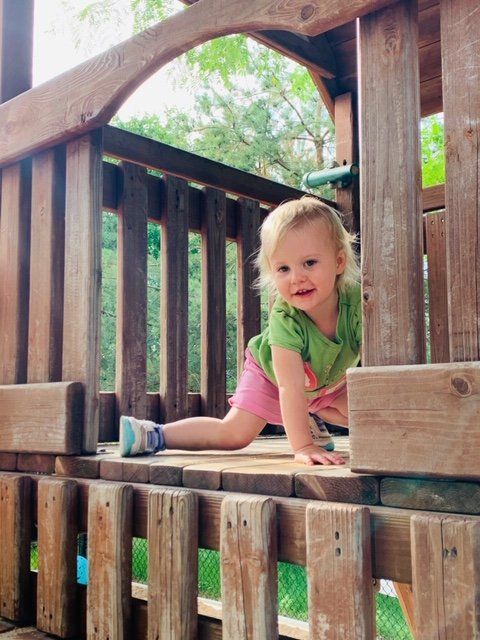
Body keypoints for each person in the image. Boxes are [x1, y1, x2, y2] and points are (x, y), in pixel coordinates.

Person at [119, 196, 361, 466]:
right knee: (234, 434)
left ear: (339, 262)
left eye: (310, 263)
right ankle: (153, 434)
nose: (297, 278)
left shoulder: (357, 302)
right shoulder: (286, 320)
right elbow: (289, 387)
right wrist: (302, 446)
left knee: (367, 411)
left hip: (325, 384)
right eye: (283, 268)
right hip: (272, 377)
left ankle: (311, 417)